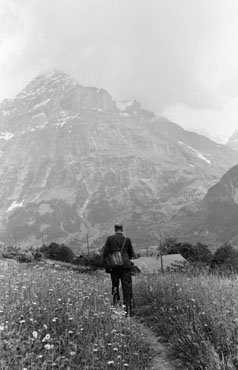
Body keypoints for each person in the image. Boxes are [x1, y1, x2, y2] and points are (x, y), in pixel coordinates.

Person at [103, 224, 135, 316]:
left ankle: (116, 306)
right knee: (127, 286)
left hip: (114, 265)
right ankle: (128, 309)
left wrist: (107, 265)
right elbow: (131, 254)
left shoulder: (110, 239)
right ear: (122, 230)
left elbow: (105, 253)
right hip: (125, 265)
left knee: (115, 285)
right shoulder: (127, 240)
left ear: (115, 230)